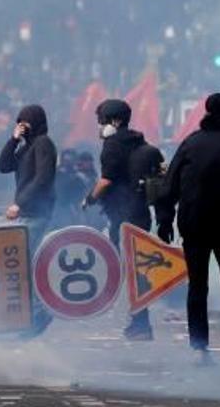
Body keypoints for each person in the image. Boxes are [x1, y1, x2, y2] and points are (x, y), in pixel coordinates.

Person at [156, 93, 220, 364]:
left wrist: (165, 220)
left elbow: (169, 185)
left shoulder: (189, 144)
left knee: (197, 286)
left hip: (192, 224)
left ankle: (199, 349)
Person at [83, 99, 163, 341]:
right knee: (137, 268)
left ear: (115, 121)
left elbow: (106, 180)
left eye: (103, 121)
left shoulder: (113, 145)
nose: (100, 126)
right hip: (140, 213)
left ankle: (140, 323)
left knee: (128, 268)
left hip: (122, 215)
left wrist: (89, 199)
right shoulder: (140, 142)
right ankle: (140, 321)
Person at [0, 104, 56, 335]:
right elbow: (3, 167)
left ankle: (40, 314)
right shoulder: (26, 147)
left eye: (27, 122)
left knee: (23, 264)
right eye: (20, 122)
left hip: (36, 213)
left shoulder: (43, 144)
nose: (23, 126)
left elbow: (43, 179)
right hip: (27, 214)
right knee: (21, 263)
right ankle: (30, 315)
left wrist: (19, 204)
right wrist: (13, 141)